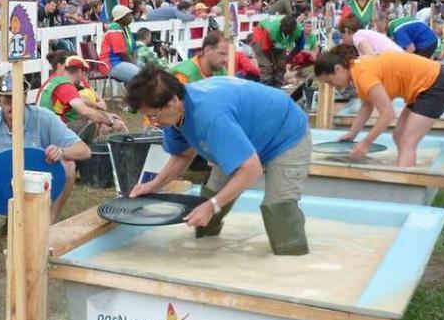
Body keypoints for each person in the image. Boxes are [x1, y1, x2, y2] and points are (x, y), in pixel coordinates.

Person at [125, 66, 310, 256]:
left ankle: (291, 258)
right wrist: (153, 185)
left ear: (173, 101)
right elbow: (182, 154)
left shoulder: (210, 117)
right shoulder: (174, 116)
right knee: (207, 199)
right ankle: (203, 253)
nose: (151, 122)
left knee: (278, 207)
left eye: (153, 115)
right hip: (244, 133)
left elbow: (251, 169)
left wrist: (213, 205)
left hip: (285, 135)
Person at [0, 74, 91, 223]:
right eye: (7, 101)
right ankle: (14, 216)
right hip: (6, 182)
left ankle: (49, 221)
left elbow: (84, 150)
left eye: (17, 99)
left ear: (24, 98)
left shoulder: (44, 117)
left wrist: (61, 152)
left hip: (40, 179)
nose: (13, 105)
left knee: (69, 166)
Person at [314, 46, 444, 167]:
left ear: (338, 69)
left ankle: (404, 188)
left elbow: (388, 114)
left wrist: (366, 143)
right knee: (399, 136)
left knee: (407, 140)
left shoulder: (362, 74)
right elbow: (366, 107)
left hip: (435, 84)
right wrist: (352, 134)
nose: (332, 87)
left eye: (330, 81)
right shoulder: (356, 71)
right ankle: (404, 171)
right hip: (423, 86)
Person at [37, 55, 126, 136]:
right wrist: (110, 122)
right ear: (80, 71)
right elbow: (85, 111)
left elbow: (80, 105)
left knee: (95, 119)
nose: (83, 77)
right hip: (49, 132)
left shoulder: (57, 81)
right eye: (84, 73)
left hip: (43, 127)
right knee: (94, 123)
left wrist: (106, 114)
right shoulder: (66, 86)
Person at [251, 14, 305, 86]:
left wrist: (288, 57)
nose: (286, 33)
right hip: (261, 36)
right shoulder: (270, 30)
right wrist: (274, 63)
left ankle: (278, 86)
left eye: (288, 32)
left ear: (293, 30)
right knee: (266, 66)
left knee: (282, 64)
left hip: (277, 40)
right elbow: (266, 49)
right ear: (281, 27)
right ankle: (266, 87)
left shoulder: (299, 31)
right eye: (285, 31)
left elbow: (300, 46)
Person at [99, 5, 141, 83]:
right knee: (141, 77)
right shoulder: (114, 28)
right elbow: (122, 53)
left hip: (123, 62)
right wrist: (134, 65)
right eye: (128, 15)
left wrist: (134, 63)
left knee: (148, 74)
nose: (131, 17)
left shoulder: (126, 28)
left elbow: (134, 49)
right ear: (121, 17)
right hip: (111, 64)